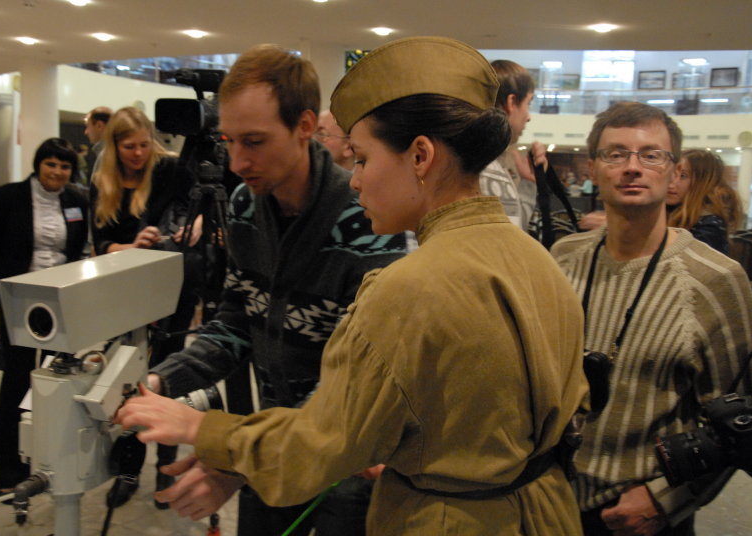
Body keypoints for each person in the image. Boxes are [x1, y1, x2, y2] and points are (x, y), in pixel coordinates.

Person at [118, 36, 588, 536]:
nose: (356, 179)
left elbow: (325, 440)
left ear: (421, 156)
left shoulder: (406, 286)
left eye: (362, 159)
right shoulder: (540, 259)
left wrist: (202, 430)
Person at [143, 43, 407, 536]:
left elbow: (357, 387)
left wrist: (240, 455)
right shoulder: (244, 206)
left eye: (255, 142)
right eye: (230, 141)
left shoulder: (368, 221)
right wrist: (159, 382)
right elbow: (235, 323)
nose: (239, 161)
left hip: (342, 468)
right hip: (266, 445)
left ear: (306, 126)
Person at [551, 102, 752, 536]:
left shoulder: (715, 279)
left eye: (650, 155)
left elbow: (738, 422)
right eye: (616, 154)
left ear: (675, 171)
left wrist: (667, 498)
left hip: (641, 515)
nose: (632, 167)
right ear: (594, 166)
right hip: (552, 502)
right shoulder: (563, 258)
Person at [90, 105, 194, 508]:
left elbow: (199, 213)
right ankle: (129, 471)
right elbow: (100, 248)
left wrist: (193, 228)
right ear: (115, 147)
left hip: (173, 290)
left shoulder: (169, 171)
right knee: (128, 385)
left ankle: (164, 471)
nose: (138, 154)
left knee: (166, 381)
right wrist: (131, 248)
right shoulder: (104, 182)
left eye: (144, 145)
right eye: (129, 147)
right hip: (125, 295)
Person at [0, 138, 90, 500]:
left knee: (56, 383)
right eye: (50, 164)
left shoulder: (77, 201)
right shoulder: (8, 197)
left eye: (64, 166)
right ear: (38, 165)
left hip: (60, 303)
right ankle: (9, 470)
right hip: (20, 303)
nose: (56, 172)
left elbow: (79, 247)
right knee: (17, 382)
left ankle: (47, 458)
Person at [478, 59, 547, 231]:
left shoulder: (489, 163)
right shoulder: (484, 169)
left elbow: (513, 231)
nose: (529, 116)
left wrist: (528, 183)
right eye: (528, 104)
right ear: (511, 102)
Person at [667, 149, 743, 255]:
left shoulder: (709, 227)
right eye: (672, 174)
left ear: (703, 183)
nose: (671, 183)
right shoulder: (667, 211)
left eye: (683, 176)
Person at [84, 106, 113, 179]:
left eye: (88, 126)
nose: (86, 132)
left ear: (99, 126)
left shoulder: (107, 154)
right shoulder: (108, 152)